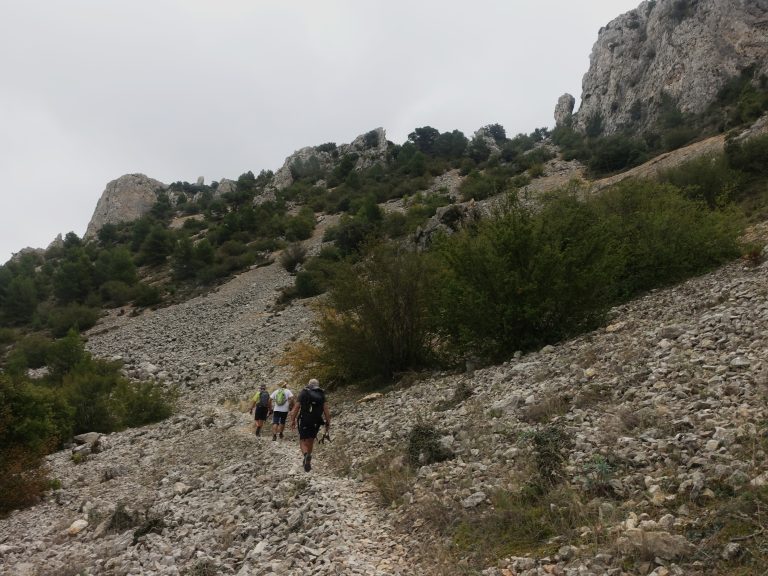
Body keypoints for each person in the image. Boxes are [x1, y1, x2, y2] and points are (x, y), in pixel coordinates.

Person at [289, 378, 330, 472]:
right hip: (316, 421)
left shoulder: (304, 392)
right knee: (311, 439)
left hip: (305, 419)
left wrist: (292, 420)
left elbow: (296, 408)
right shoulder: (321, 394)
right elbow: (326, 410)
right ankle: (308, 459)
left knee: (303, 440)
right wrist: (328, 423)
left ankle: (306, 455)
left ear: (309, 384)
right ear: (318, 385)